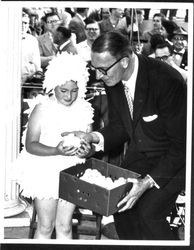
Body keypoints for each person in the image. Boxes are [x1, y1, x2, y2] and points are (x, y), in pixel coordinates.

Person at [63, 31, 186, 240]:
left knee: (149, 214)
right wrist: (92, 137)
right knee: (119, 206)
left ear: (125, 62)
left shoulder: (167, 80)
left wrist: (147, 182)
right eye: (95, 69)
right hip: (141, 154)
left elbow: (181, 145)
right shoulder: (113, 78)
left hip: (175, 159)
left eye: (102, 70)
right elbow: (120, 127)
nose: (99, 76)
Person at [16, 52, 93, 239]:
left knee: (65, 226)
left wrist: (86, 151)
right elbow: (31, 145)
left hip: (72, 170)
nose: (69, 96)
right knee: (45, 226)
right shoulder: (42, 108)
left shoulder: (85, 109)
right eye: (63, 90)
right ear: (53, 85)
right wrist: (56, 150)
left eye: (74, 90)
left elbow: (90, 144)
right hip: (45, 169)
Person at [21, 11, 42, 84]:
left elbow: (37, 64)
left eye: (25, 23)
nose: (23, 26)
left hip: (28, 80)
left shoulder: (32, 40)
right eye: (20, 23)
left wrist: (38, 74)